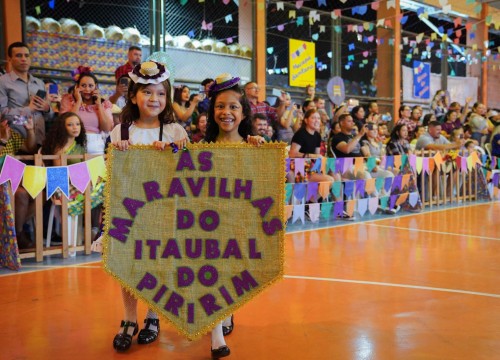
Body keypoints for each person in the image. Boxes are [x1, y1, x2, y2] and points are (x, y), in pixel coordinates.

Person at [109, 61, 189, 353]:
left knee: (157, 263)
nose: (155, 99)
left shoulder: (174, 130)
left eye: (161, 94)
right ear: (133, 96)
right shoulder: (121, 131)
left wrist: (175, 151)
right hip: (130, 208)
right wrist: (117, 156)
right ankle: (129, 318)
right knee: (128, 265)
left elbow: (189, 168)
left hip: (164, 209)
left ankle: (153, 315)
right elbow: (115, 174)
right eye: (147, 93)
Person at [204, 72, 266, 358]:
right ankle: (215, 333)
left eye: (233, 107)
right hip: (206, 225)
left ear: (244, 113)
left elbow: (264, 186)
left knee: (231, 273)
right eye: (220, 106)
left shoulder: (254, 147)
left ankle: (226, 312)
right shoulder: (201, 148)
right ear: (212, 111)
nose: (226, 112)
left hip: (238, 224)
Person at [0, 41, 54, 148]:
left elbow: (49, 117)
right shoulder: (3, 81)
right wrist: (28, 110)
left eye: (27, 55)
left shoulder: (39, 83)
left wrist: (47, 109)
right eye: (19, 56)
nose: (24, 59)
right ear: (10, 59)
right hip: (16, 143)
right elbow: (2, 115)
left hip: (40, 141)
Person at [60, 66, 113, 155]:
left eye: (91, 86)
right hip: (73, 144)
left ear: (96, 87)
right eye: (83, 86)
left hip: (96, 147)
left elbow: (106, 128)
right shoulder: (68, 100)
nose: (87, 89)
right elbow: (65, 124)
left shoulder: (103, 104)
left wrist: (99, 105)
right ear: (77, 86)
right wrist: (78, 101)